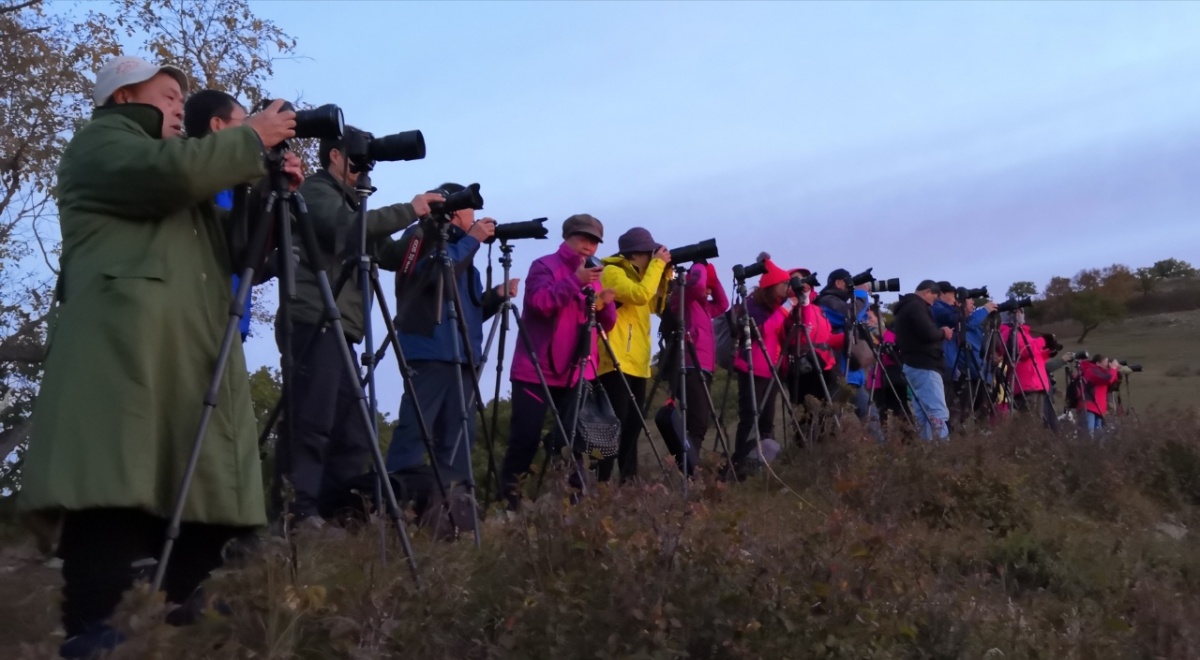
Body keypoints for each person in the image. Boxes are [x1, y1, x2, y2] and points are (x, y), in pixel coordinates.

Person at [17, 56, 299, 658]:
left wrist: (264, 188)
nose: (178, 105)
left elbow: (240, 255)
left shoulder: (185, 175)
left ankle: (173, 608)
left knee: (195, 489)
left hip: (181, 354)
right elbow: (168, 177)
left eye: (182, 98)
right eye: (168, 95)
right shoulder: (102, 143)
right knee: (111, 492)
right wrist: (250, 138)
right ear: (123, 97)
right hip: (120, 352)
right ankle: (96, 632)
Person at [273, 127, 444, 528]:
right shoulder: (315, 191)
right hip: (313, 320)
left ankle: (336, 514)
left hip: (341, 329)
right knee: (311, 423)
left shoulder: (354, 208)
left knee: (353, 432)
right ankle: (296, 512)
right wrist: (409, 209)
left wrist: (429, 227)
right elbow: (343, 230)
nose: (362, 168)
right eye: (356, 159)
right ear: (334, 156)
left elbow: (392, 257)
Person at [385, 184, 519, 480]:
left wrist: (495, 297)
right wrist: (471, 242)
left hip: (463, 356)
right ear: (455, 211)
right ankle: (394, 500)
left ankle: (454, 503)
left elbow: (467, 313)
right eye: (471, 210)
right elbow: (434, 276)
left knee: (459, 437)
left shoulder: (463, 252)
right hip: (430, 351)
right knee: (415, 429)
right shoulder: (423, 236)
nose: (476, 218)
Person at [499, 215, 616, 509]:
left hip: (576, 371)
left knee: (575, 442)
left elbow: (607, 323)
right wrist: (575, 282)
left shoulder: (594, 274)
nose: (588, 246)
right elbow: (540, 305)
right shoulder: (544, 266)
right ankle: (510, 505)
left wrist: (606, 303)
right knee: (524, 439)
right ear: (568, 237)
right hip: (536, 369)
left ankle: (572, 505)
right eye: (583, 239)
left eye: (594, 241)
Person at [595, 228, 670, 483]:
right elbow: (639, 296)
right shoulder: (612, 271)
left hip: (637, 362)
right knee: (613, 427)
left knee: (632, 428)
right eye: (651, 254)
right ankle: (602, 485)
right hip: (615, 360)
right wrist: (658, 266)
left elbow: (655, 305)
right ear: (638, 254)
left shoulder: (640, 275)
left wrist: (662, 275)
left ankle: (630, 485)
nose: (654, 258)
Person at [183, 89, 256, 341]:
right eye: (244, 123)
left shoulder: (234, 186)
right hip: (202, 322)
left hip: (232, 321)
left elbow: (236, 254)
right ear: (217, 124)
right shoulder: (198, 179)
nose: (250, 131)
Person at [658, 258, 729, 475]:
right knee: (698, 422)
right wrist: (699, 265)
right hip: (688, 365)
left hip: (703, 367)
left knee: (696, 422)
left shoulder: (703, 306)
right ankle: (689, 470)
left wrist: (712, 274)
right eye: (704, 282)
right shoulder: (682, 298)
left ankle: (689, 468)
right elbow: (697, 285)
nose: (706, 288)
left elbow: (723, 303)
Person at [727, 256, 792, 476]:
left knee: (767, 419)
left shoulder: (775, 305)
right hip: (753, 368)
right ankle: (741, 462)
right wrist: (785, 309)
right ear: (772, 285)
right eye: (784, 284)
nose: (787, 288)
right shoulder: (753, 304)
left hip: (772, 369)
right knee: (750, 416)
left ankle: (765, 461)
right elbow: (764, 330)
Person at [892, 280, 953, 440]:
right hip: (925, 365)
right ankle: (941, 450)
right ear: (927, 292)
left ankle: (926, 454)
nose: (934, 303)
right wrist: (943, 332)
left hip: (911, 365)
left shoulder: (903, 308)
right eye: (934, 297)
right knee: (936, 411)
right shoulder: (916, 307)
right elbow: (928, 333)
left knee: (923, 413)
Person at [817, 269, 872, 420]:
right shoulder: (827, 300)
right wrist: (860, 293)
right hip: (840, 372)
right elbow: (849, 315)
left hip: (851, 372)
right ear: (839, 283)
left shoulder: (837, 301)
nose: (850, 287)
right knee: (835, 420)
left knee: (869, 416)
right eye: (848, 282)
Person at [998, 308, 1057, 431]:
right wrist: (1043, 340)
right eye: (1017, 311)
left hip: (1036, 382)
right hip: (1026, 383)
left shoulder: (1024, 333)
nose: (1020, 314)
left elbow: (1033, 357)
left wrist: (1048, 352)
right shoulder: (1008, 332)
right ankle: (1027, 446)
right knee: (1029, 421)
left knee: (1037, 420)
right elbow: (1022, 352)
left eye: (1022, 311)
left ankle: (1033, 446)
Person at [1076, 353, 1118, 435]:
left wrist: (1116, 371)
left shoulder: (1101, 372)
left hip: (1098, 408)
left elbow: (1112, 384)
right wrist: (1113, 368)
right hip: (1089, 406)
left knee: (1098, 436)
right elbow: (1107, 380)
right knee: (1088, 434)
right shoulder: (1092, 371)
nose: (1108, 364)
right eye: (1106, 362)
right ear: (1098, 363)